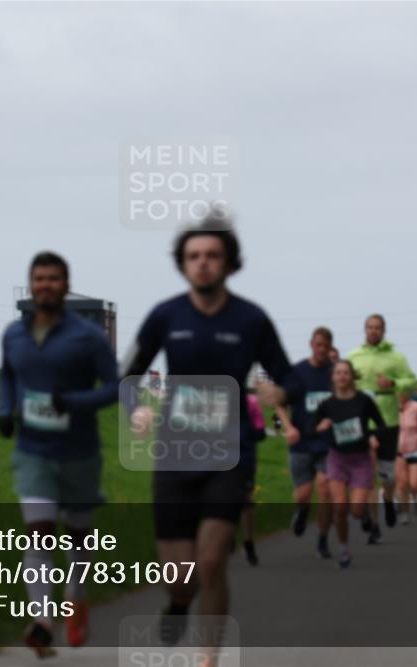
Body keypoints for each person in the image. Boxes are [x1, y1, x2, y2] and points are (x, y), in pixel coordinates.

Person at [120, 217, 293, 664]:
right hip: (175, 454)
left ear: (230, 264)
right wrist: (135, 407)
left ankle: (208, 657)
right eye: (194, 256)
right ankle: (178, 605)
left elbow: (288, 374)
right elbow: (129, 375)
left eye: (212, 255)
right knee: (178, 576)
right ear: (182, 265)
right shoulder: (165, 315)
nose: (203, 264)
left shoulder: (251, 320)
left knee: (212, 561)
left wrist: (282, 391)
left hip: (229, 454)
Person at [0, 252, 119, 656]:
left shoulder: (88, 337)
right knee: (39, 531)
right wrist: (4, 411)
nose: (46, 285)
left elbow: (114, 387)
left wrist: (75, 403)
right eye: (39, 279)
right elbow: (8, 375)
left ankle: (76, 594)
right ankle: (42, 618)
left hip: (79, 451)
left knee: (78, 533)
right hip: (33, 450)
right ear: (31, 285)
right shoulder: (13, 335)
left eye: (53, 279)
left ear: (66, 286)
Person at [348, 314, 417, 539]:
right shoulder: (354, 356)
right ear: (364, 329)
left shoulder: (395, 357)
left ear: (384, 330)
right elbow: (341, 380)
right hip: (361, 421)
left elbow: (412, 381)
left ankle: (388, 499)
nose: (373, 331)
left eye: (378, 328)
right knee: (368, 472)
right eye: (370, 327)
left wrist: (393, 383)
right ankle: (373, 522)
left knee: (387, 475)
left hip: (387, 419)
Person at [308, 360, 384, 568]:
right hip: (337, 458)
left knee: (356, 511)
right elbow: (311, 429)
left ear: (352, 377)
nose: (342, 376)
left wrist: (374, 436)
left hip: (360, 460)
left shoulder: (364, 401)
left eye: (346, 373)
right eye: (338, 373)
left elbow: (381, 424)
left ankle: (365, 514)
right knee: (340, 507)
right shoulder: (327, 405)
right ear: (333, 377)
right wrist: (320, 427)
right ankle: (343, 548)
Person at [275, 326, 334, 559]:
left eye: (325, 346)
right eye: (317, 345)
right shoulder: (298, 372)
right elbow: (279, 403)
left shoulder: (334, 374)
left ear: (330, 348)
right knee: (303, 493)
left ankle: (322, 539)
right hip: (301, 442)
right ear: (311, 345)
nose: (321, 350)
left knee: (326, 489)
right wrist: (288, 428)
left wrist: (332, 419)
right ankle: (302, 510)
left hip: (327, 444)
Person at [396, 388, 417, 524]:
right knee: (402, 484)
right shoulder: (391, 408)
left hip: (415, 449)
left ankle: (415, 498)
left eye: (404, 391)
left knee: (415, 484)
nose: (401, 394)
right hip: (397, 452)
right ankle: (404, 512)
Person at [240, 393, 267, 566]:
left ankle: (248, 541)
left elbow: (261, 431)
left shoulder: (251, 402)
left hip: (244, 456)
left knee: (246, 500)